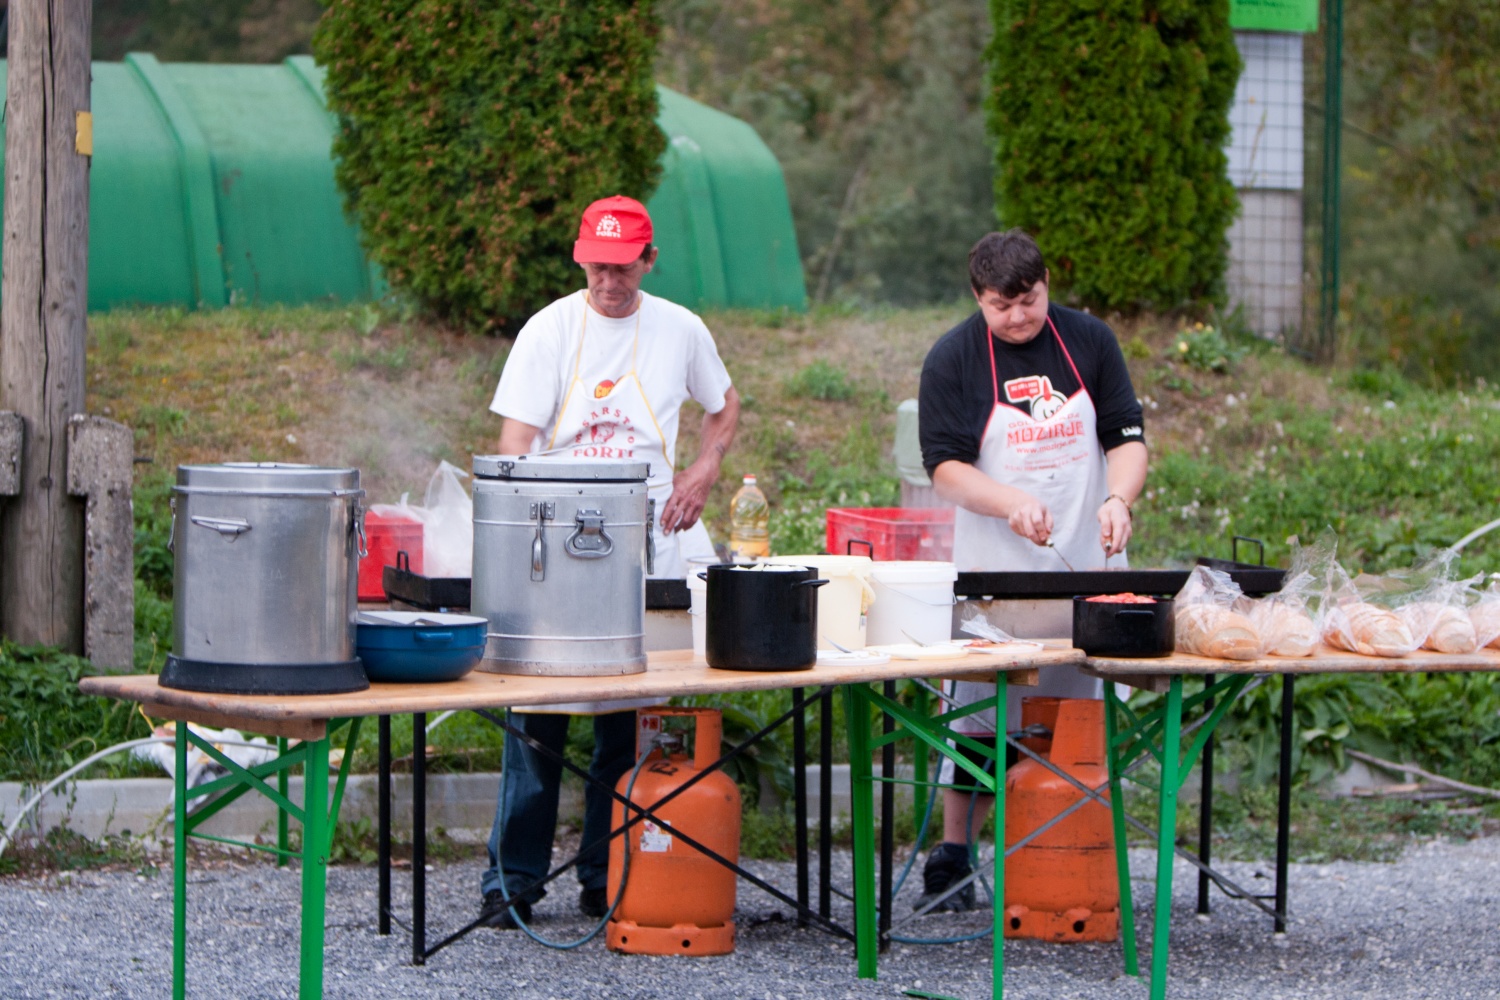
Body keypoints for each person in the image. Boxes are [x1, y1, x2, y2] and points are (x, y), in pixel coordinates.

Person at [479, 195, 741, 928]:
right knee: (539, 715)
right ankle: (512, 881)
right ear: (580, 259)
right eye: (597, 266)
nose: (609, 281)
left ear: (648, 262)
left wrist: (702, 471)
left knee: (626, 722)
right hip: (559, 531)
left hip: (651, 527)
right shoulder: (549, 330)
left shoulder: (681, 329)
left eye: (623, 268)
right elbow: (515, 443)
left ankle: (607, 873)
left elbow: (724, 406)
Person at [915, 228, 1146, 910]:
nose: (1017, 317)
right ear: (977, 298)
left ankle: (1066, 851)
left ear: (1047, 286)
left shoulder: (1089, 341)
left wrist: (1119, 499)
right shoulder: (954, 358)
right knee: (979, 718)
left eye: (1029, 300)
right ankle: (955, 854)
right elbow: (945, 469)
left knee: (1077, 718)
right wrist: (1009, 501)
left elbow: (1126, 437)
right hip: (996, 572)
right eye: (1001, 305)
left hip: (1089, 563)